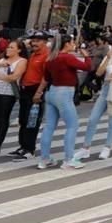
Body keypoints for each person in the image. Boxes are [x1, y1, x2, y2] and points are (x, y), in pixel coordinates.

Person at [34, 35, 93, 169]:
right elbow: (87, 67)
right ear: (66, 44)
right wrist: (87, 56)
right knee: (72, 125)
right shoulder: (67, 57)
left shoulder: (50, 58)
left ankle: (44, 159)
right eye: (72, 42)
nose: (73, 44)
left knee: (49, 126)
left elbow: (47, 77)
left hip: (51, 92)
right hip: (64, 92)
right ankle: (68, 159)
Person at [11, 32, 50, 162]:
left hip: (36, 90)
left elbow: (46, 76)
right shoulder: (33, 54)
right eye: (33, 41)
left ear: (45, 42)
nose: (34, 43)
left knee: (32, 121)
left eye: (38, 41)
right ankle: (22, 145)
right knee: (23, 119)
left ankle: (30, 149)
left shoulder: (46, 56)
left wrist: (39, 93)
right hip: (25, 89)